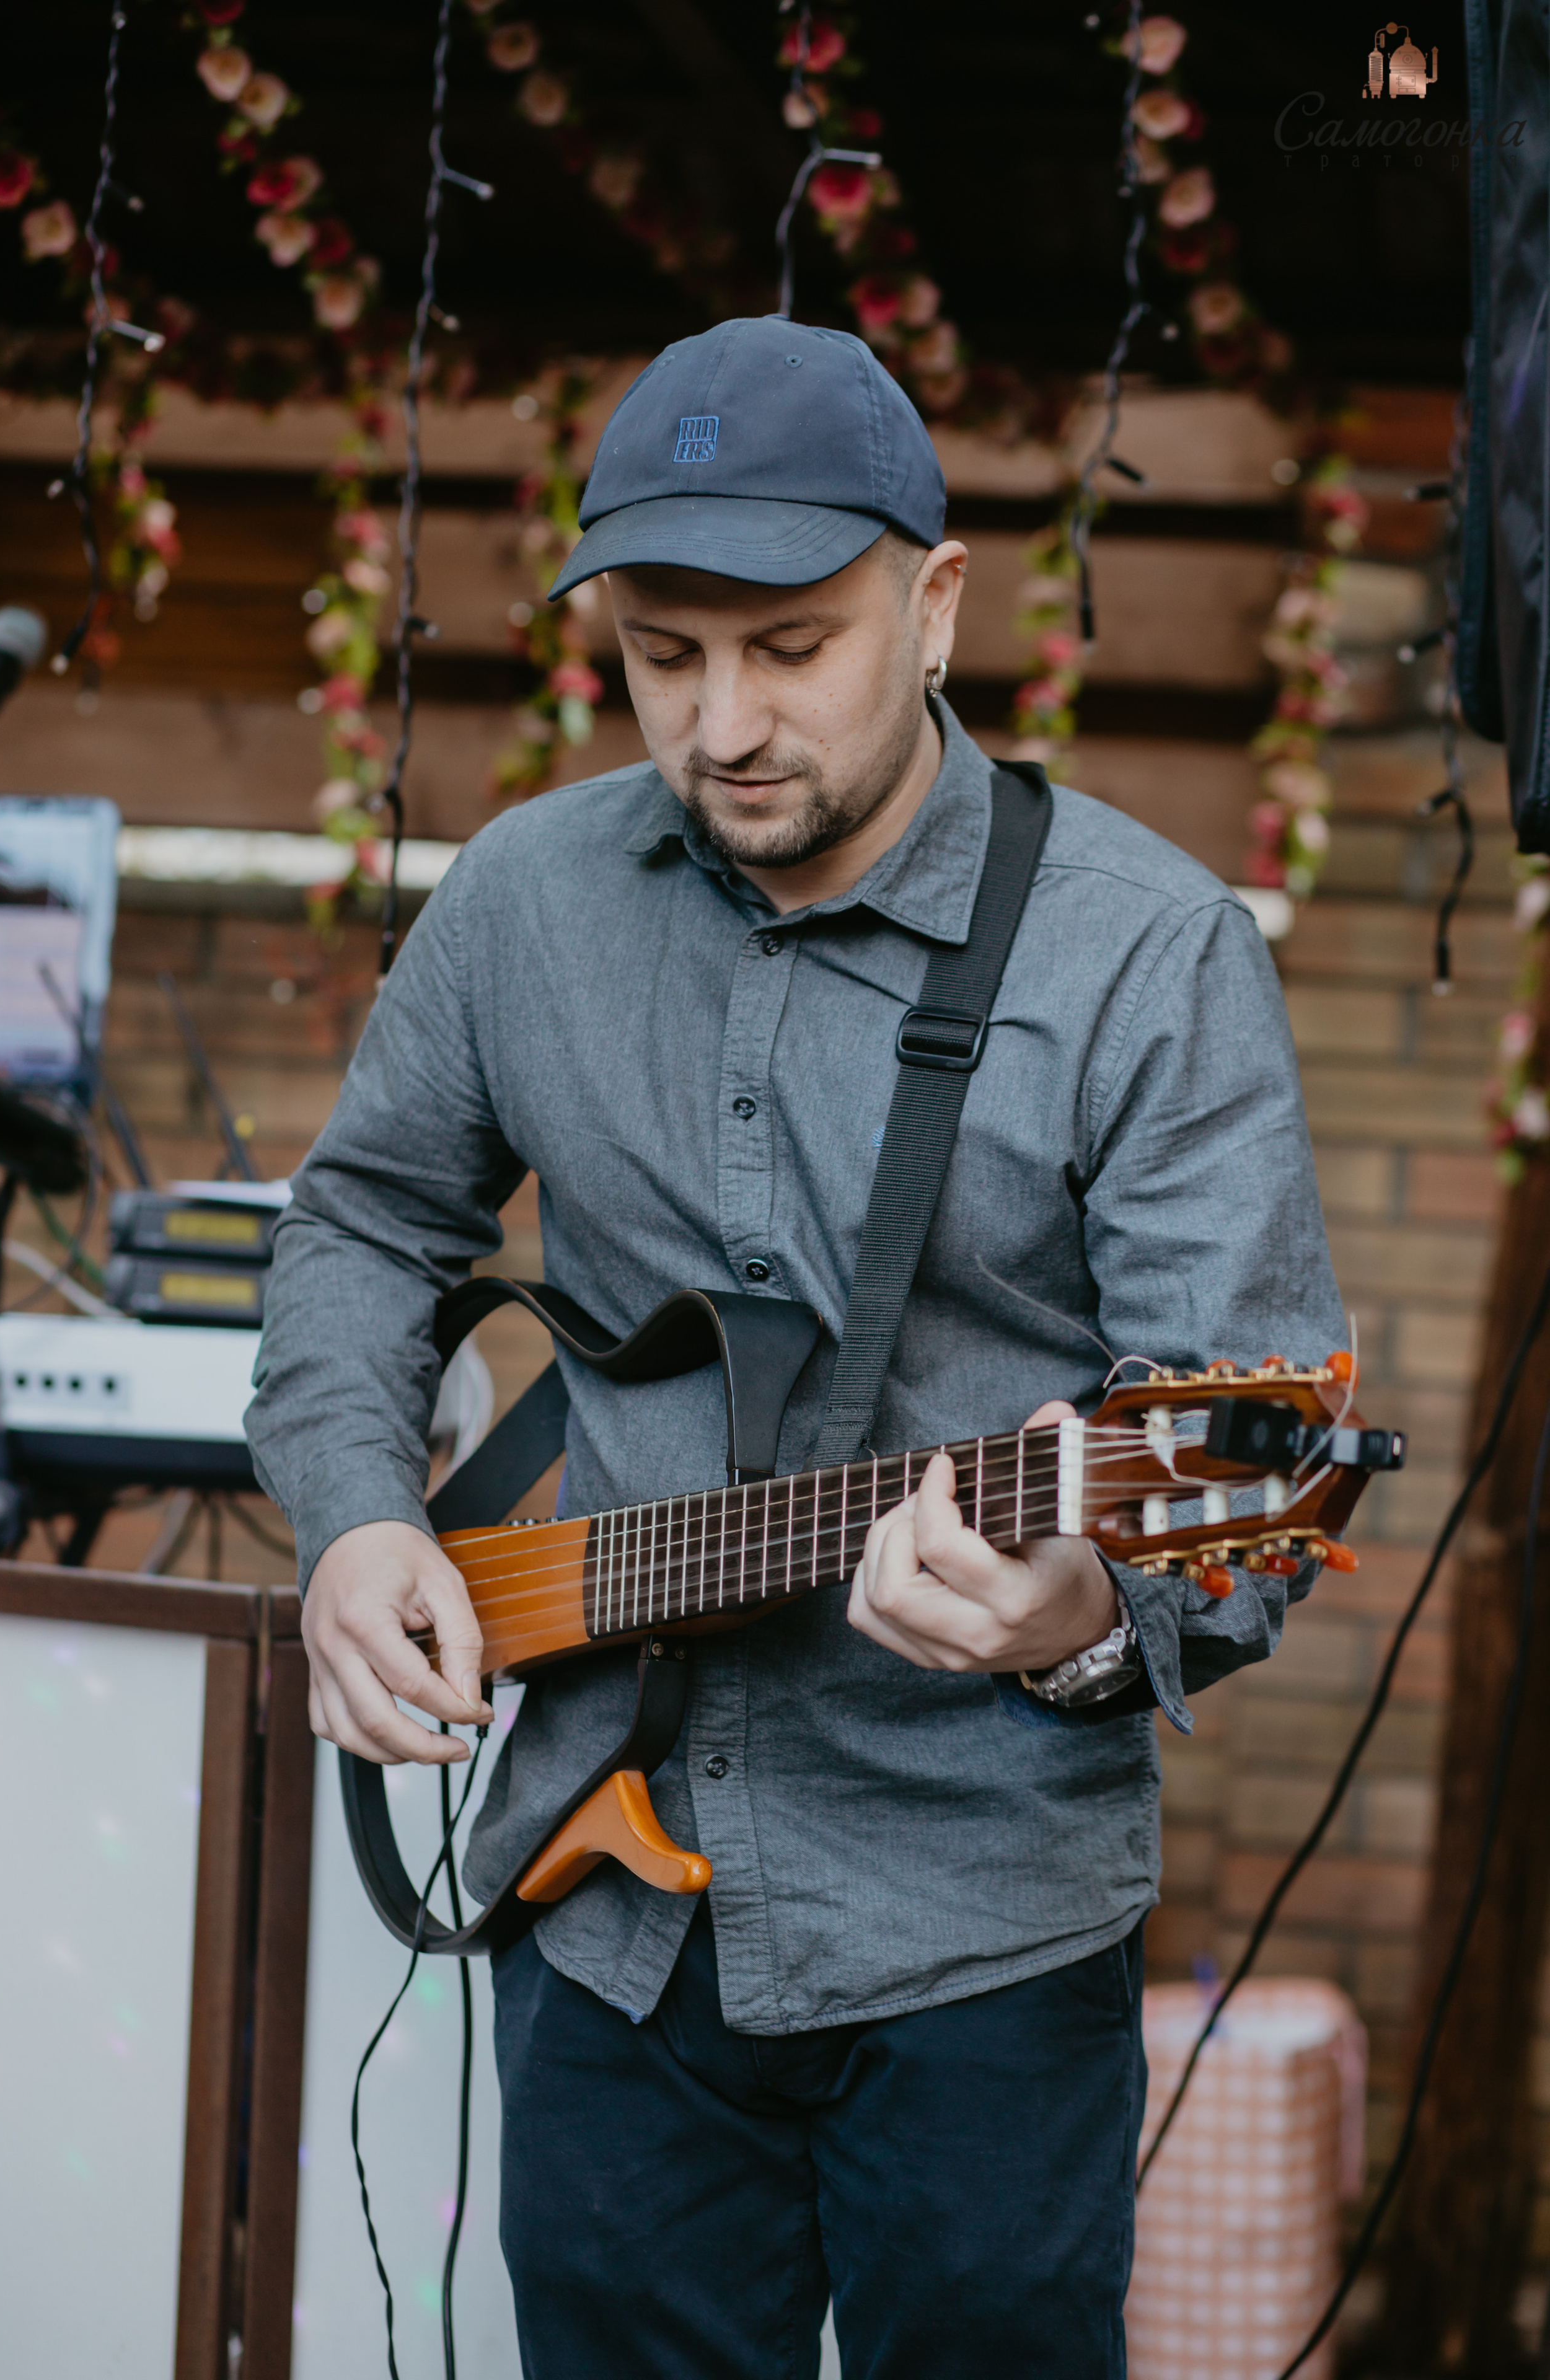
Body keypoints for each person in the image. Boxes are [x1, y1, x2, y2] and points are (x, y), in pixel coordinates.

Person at [247, 314, 1345, 2379]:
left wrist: (1081, 1609)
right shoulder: (524, 902)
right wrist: (356, 1519)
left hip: (984, 1928)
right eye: (664, 655)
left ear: (936, 608)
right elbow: (363, 1226)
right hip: (606, 1913)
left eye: (792, 646)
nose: (726, 722)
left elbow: (1242, 1451)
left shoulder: (1150, 951)